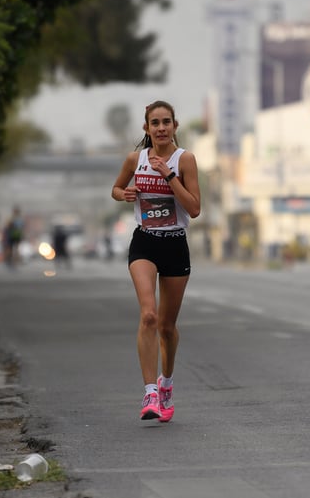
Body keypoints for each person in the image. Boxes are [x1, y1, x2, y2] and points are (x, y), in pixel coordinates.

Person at [111, 100, 201, 422]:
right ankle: (149, 392)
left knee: (166, 326)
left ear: (175, 126)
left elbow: (194, 208)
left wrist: (170, 176)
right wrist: (126, 194)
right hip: (145, 242)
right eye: (155, 123)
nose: (161, 128)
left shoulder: (184, 160)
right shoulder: (135, 160)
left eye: (166, 122)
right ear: (146, 129)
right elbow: (116, 189)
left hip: (175, 244)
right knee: (148, 315)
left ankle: (167, 383)